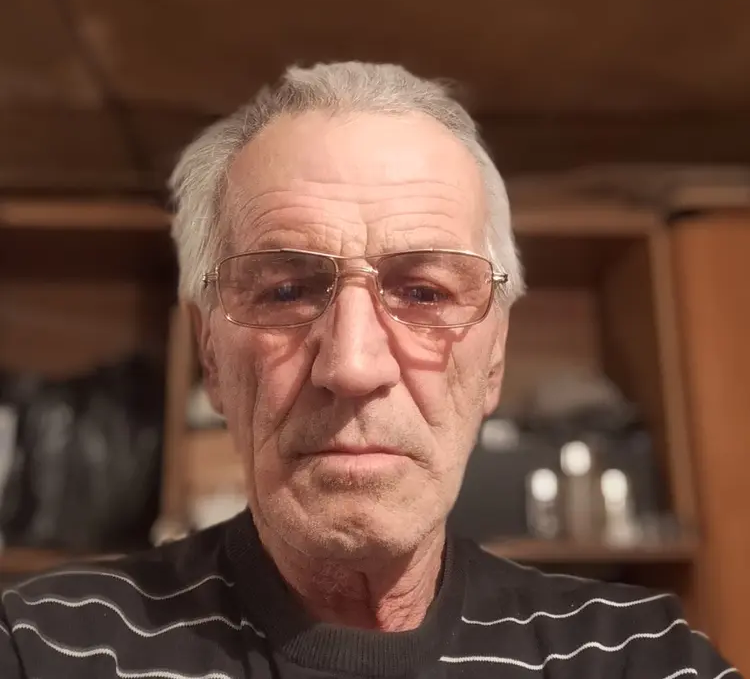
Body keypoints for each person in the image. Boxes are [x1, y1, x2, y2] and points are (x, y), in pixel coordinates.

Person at [0, 62, 739, 679]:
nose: (353, 366)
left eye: (424, 293)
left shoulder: (636, 658)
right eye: (286, 291)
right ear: (212, 358)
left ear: (494, 361)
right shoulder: (43, 650)